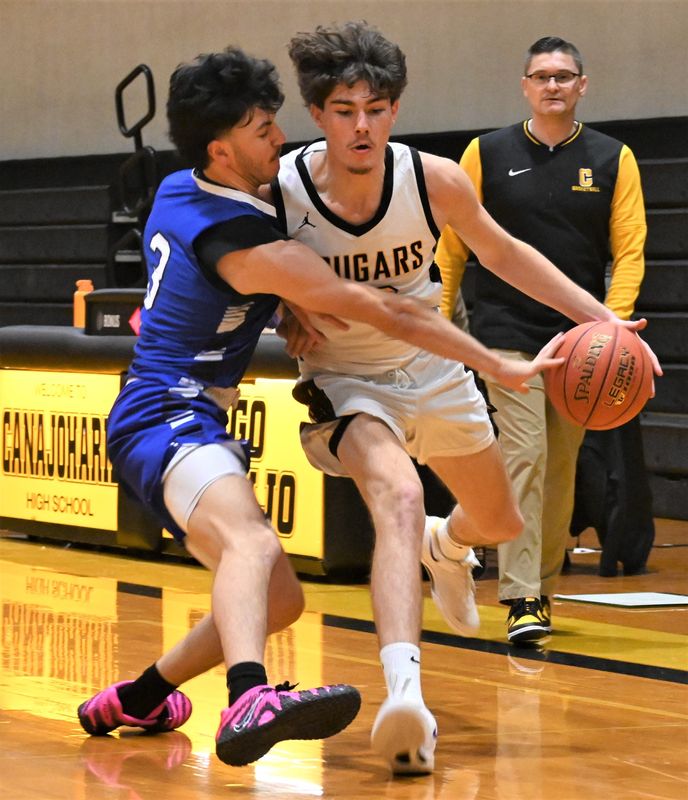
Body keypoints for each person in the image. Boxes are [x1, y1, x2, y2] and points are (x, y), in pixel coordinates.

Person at [75, 45, 566, 770]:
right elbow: (385, 310)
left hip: (186, 412)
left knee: (278, 601)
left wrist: (285, 307)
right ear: (222, 149)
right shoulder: (250, 244)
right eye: (263, 129)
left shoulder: (183, 186)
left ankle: (144, 696)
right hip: (164, 413)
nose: (280, 138)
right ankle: (248, 696)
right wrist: (497, 364)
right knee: (251, 545)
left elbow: (221, 285)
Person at [271, 22, 658, 775]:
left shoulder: (435, 178)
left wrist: (604, 321)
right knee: (398, 495)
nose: (362, 126)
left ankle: (448, 547)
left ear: (395, 108)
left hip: (434, 365)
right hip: (348, 379)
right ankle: (405, 698)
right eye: (345, 110)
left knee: (501, 522)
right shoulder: (282, 191)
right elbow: (240, 267)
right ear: (317, 114)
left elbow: (505, 253)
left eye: (376, 109)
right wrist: (281, 304)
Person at [435, 36, 654, 644]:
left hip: (580, 341)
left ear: (582, 85)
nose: (552, 85)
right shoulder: (486, 152)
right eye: (541, 76)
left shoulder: (614, 158)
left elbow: (630, 252)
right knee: (525, 455)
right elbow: (452, 247)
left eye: (563, 76)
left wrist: (611, 328)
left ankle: (539, 590)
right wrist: (441, 325)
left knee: (559, 470)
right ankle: (521, 593)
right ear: (525, 86)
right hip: (506, 334)